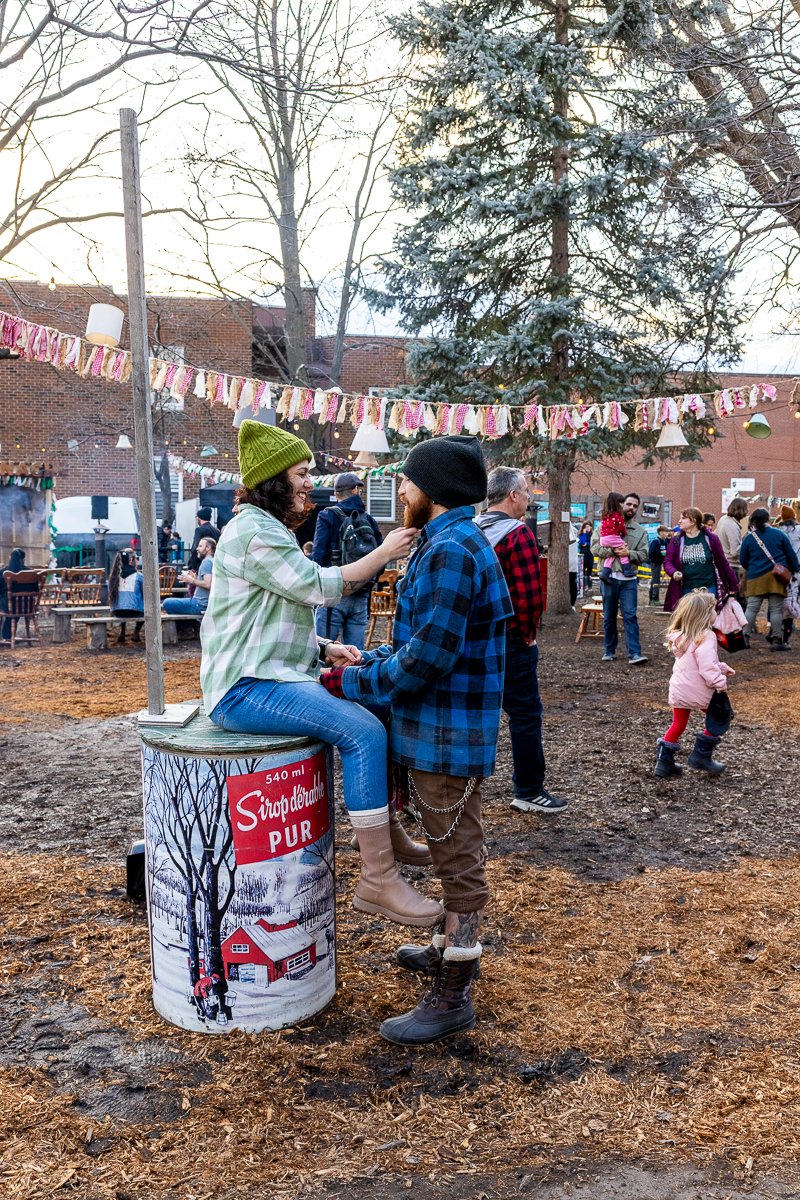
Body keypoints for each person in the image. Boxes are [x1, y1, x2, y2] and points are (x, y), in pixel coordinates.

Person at [201, 419, 442, 932]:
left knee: (377, 705)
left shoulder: (267, 529)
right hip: (243, 689)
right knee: (363, 732)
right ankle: (378, 878)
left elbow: (263, 619)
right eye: (301, 473)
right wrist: (383, 553)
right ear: (273, 481)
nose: (310, 483)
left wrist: (324, 647)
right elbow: (318, 586)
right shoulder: (254, 532)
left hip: (270, 676)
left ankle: (386, 832)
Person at [321, 436, 513, 1045]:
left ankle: (455, 992)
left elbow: (427, 659)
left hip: (446, 734)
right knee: (448, 848)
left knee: (458, 861)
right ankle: (443, 948)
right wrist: (369, 660)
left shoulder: (452, 550)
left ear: (431, 490)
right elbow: (417, 644)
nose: (401, 489)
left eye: (407, 480)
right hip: (437, 728)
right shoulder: (445, 542)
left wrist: (351, 682)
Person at [475, 466, 567, 815]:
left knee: (473, 714)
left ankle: (462, 790)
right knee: (525, 714)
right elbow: (529, 597)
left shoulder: (470, 530)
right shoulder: (518, 534)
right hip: (510, 639)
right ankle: (528, 789)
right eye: (526, 491)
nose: (529, 497)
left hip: (471, 639)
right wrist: (527, 636)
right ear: (512, 495)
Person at [654, 590, 735, 778]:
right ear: (705, 614)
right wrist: (719, 682)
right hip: (698, 690)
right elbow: (706, 667)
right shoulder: (706, 635)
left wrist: (720, 667)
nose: (716, 612)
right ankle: (701, 756)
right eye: (713, 609)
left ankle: (663, 763)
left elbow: (693, 662)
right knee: (720, 716)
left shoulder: (681, 635)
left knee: (678, 724)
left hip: (679, 688)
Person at [311, 471, 382, 649]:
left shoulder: (327, 515)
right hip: (361, 594)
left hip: (334, 592)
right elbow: (380, 557)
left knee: (323, 650)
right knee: (355, 654)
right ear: (356, 490)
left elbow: (318, 557)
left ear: (336, 494)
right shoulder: (369, 520)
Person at [590, 493, 649, 664]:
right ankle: (609, 650)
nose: (631, 508)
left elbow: (644, 555)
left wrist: (629, 553)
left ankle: (635, 654)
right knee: (609, 616)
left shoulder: (640, 531)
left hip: (628, 581)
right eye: (628, 504)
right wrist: (613, 551)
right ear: (621, 504)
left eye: (635, 506)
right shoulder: (604, 525)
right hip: (608, 579)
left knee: (630, 615)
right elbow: (594, 548)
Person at [739, 507, 800, 651]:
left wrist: (753, 567)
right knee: (776, 610)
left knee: (752, 609)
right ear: (768, 519)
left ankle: (744, 637)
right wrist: (794, 569)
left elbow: (743, 560)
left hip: (755, 577)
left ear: (753, 520)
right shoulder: (779, 534)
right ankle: (776, 640)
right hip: (776, 577)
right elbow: (791, 555)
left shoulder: (749, 537)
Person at [663, 507, 738, 611]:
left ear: (693, 521)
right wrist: (673, 572)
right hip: (686, 589)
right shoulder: (676, 541)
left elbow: (723, 563)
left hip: (709, 588)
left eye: (683, 518)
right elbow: (667, 561)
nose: (679, 521)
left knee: (708, 618)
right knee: (688, 618)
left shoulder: (711, 539)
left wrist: (733, 584)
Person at [163, 537, 215, 617]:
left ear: (208, 548)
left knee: (167, 603)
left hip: (200, 604)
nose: (197, 548)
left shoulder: (206, 562)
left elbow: (208, 584)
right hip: (205, 603)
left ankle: (190, 624)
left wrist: (191, 580)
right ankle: (189, 624)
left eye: (200, 546)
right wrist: (195, 578)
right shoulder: (213, 561)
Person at [108, 549, 144, 644]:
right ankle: (136, 632)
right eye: (137, 558)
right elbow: (145, 593)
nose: (138, 560)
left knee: (123, 603)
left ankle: (122, 631)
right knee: (145, 609)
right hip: (135, 611)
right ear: (131, 560)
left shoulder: (114, 576)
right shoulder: (139, 576)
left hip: (117, 611)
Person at [598, 492, 636, 581]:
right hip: (612, 537)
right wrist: (623, 533)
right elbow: (621, 528)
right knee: (623, 548)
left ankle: (605, 573)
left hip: (603, 539)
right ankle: (626, 569)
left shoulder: (606, 515)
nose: (623, 505)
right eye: (622, 502)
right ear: (617, 503)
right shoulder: (618, 516)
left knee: (611, 555)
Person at [778, 505, 800, 646]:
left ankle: (777, 628)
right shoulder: (798, 530)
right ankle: (787, 631)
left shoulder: (778, 531)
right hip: (797, 569)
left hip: (781, 570)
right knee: (794, 598)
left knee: (780, 599)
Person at [716, 497, 749, 575]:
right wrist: (746, 545)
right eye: (746, 509)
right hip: (732, 566)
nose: (747, 511)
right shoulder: (732, 526)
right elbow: (735, 552)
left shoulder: (723, 518)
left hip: (723, 562)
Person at [187, 506, 220, 571]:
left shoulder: (199, 530)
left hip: (201, 564)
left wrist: (192, 566)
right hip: (214, 563)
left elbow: (195, 548)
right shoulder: (217, 531)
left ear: (199, 518)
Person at [647, 526, 671, 605]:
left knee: (655, 580)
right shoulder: (655, 541)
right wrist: (661, 553)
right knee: (656, 580)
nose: (667, 534)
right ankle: (655, 598)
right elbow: (651, 553)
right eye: (665, 532)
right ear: (660, 532)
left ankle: (652, 599)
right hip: (654, 563)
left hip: (660, 563)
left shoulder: (664, 542)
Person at [577, 520, 594, 594]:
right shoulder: (581, 534)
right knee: (583, 571)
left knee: (589, 571)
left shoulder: (592, 535)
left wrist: (587, 544)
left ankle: (590, 586)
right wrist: (584, 533)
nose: (587, 528)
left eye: (589, 526)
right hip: (583, 554)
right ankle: (584, 586)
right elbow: (582, 543)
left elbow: (593, 543)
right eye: (586, 527)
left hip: (590, 554)